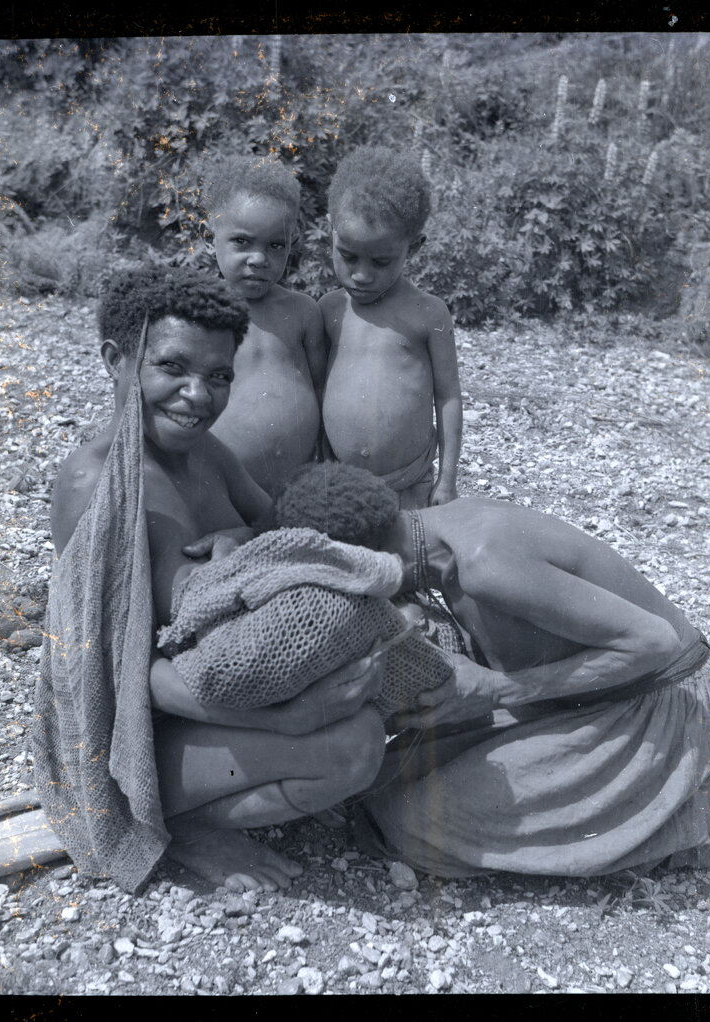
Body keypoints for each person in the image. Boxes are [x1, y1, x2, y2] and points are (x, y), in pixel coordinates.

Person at [33, 266, 387, 895]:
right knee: (355, 746)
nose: (198, 396)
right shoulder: (100, 490)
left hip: (233, 679)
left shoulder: (204, 453)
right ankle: (187, 831)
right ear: (119, 360)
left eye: (219, 376)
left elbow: (280, 525)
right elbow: (117, 675)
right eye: (173, 368)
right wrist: (286, 722)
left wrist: (245, 543)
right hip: (146, 733)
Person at [267, 462, 710, 879]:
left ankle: (703, 793)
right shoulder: (442, 525)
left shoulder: (484, 563)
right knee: (378, 783)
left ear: (366, 558)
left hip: (659, 701)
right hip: (585, 692)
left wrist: (497, 687)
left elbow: (653, 642)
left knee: (411, 823)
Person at [319, 145, 463, 509]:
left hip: (411, 485)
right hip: (341, 484)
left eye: (382, 261)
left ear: (413, 248)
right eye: (348, 256)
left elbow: (448, 397)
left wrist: (446, 481)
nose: (362, 275)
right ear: (330, 231)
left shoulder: (429, 314)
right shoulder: (329, 309)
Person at [203, 155, 325, 494]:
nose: (259, 259)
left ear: (292, 245)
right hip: (221, 489)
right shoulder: (200, 312)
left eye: (275, 246)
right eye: (242, 242)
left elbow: (320, 389)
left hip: (295, 484)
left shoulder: (302, 312)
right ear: (208, 236)